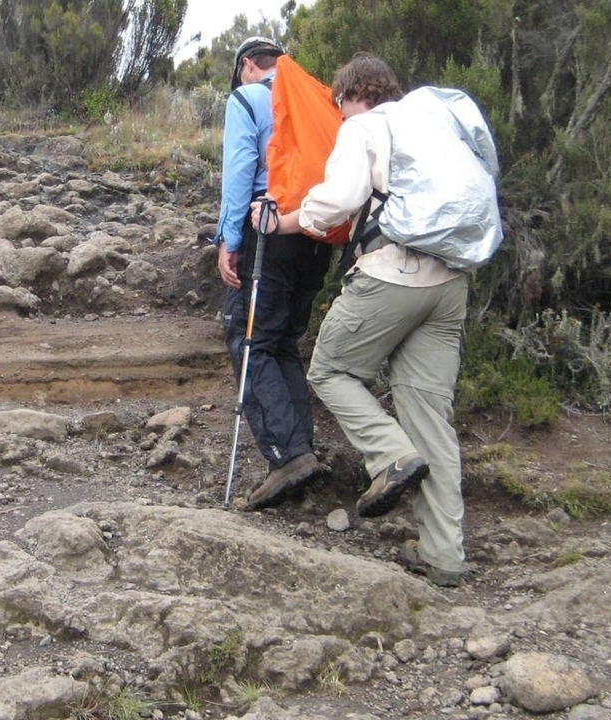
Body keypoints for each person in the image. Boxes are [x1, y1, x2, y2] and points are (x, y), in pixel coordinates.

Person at [255, 52, 485, 587]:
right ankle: (444, 556)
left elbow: (336, 203)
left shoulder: (365, 126)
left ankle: (390, 457)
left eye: (338, 105)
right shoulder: (435, 125)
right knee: (429, 414)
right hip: (451, 283)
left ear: (349, 95)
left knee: (330, 370)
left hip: (392, 273)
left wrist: (281, 222)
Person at [214, 37, 333, 511]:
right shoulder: (317, 100)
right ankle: (300, 449)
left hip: (271, 229)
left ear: (247, 65)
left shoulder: (247, 97)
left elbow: (240, 171)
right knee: (282, 340)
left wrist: (229, 240)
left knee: (249, 338)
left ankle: (287, 456)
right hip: (319, 230)